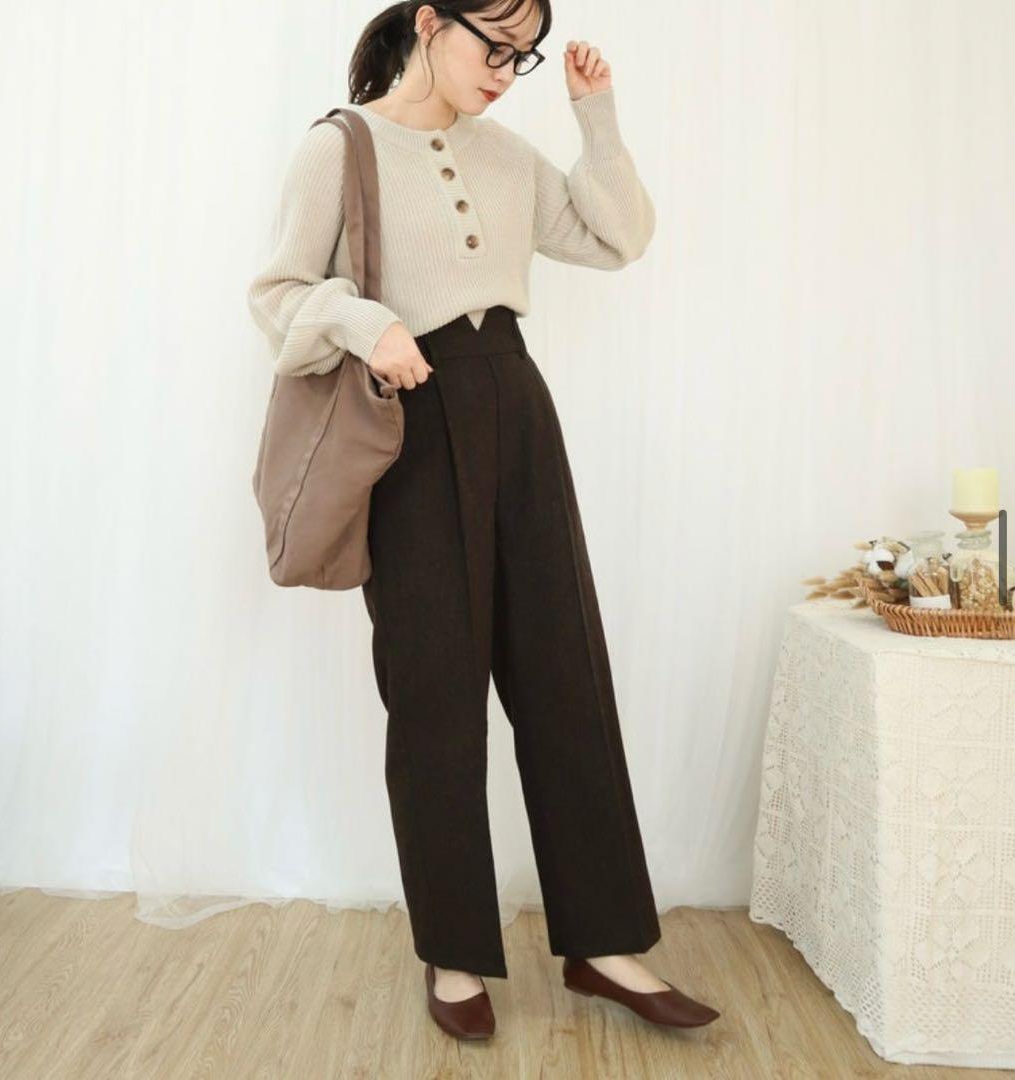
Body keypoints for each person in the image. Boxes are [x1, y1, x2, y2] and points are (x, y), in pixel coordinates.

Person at [247, 0, 720, 1041]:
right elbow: (277, 294)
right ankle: (455, 952)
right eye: (493, 45)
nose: (508, 69)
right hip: (409, 419)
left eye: (525, 54)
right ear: (430, 22)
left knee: (564, 673)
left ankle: (605, 943)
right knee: (435, 692)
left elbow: (621, 237)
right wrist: (366, 323)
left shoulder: (508, 156)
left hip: (515, 399)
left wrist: (596, 115)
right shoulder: (340, 147)